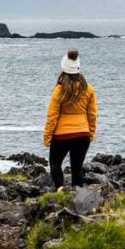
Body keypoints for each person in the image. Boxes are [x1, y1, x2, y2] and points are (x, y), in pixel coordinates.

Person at [43, 48, 97, 190]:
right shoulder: (89, 89)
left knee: (55, 163)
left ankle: (60, 191)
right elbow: (92, 115)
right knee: (77, 168)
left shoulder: (59, 90)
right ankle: (78, 196)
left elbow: (52, 116)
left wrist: (47, 136)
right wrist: (90, 134)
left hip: (62, 135)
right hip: (82, 134)